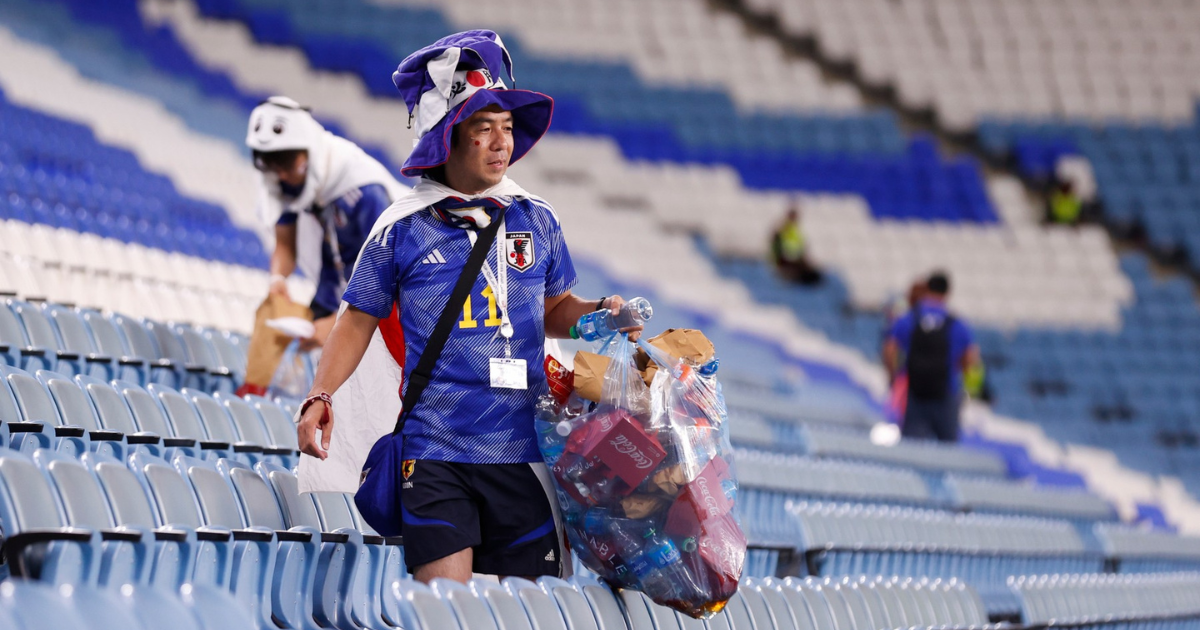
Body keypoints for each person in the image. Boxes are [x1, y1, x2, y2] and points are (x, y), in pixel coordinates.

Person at [295, 30, 643, 584]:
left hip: (524, 452)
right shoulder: (401, 228)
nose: (502, 143)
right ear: (447, 140)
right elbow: (357, 319)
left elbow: (556, 308)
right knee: (446, 615)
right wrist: (320, 395)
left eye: (507, 129)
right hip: (435, 454)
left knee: (524, 617)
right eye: (484, 129)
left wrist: (600, 312)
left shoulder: (537, 218)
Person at [246, 96, 407, 351]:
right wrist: (277, 281)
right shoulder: (283, 178)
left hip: (391, 301)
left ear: (309, 151)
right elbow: (285, 242)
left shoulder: (365, 191)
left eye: (287, 162)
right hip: (337, 283)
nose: (282, 174)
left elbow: (385, 279)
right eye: (272, 164)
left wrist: (335, 325)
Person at [882, 272, 979, 442]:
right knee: (947, 453)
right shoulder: (957, 324)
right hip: (946, 393)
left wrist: (894, 377)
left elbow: (890, 350)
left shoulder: (909, 318)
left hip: (915, 393)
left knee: (912, 449)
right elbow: (971, 360)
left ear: (927, 289)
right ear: (948, 293)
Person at [771, 203, 822, 285]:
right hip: (787, 263)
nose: (794, 219)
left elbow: (801, 248)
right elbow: (779, 251)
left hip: (795, 261)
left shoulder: (795, 231)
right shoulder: (781, 231)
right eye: (793, 216)